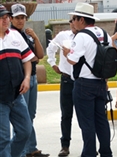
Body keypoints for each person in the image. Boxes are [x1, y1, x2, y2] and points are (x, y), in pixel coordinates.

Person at [63, 2, 112, 157]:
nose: (73, 22)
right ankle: (106, 152)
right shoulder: (104, 33)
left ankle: (89, 153)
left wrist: (66, 52)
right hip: (100, 82)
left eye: (74, 18)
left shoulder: (81, 36)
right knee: (101, 121)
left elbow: (72, 60)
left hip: (84, 84)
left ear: (82, 20)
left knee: (87, 123)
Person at [10, 3, 49, 157]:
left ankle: (31, 148)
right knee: (22, 116)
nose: (20, 20)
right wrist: (32, 60)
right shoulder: (11, 35)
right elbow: (30, 59)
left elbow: (39, 56)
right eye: (17, 17)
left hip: (32, 77)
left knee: (30, 114)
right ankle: (22, 150)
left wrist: (35, 37)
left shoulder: (26, 34)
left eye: (23, 17)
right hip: (22, 79)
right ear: (11, 18)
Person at [0, 4, 35, 156]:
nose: (5, 20)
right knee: (3, 139)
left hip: (16, 95)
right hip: (0, 98)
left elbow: (27, 59)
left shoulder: (15, 35)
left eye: (7, 17)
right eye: (1, 18)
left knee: (25, 132)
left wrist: (27, 78)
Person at [46, 19, 77, 156]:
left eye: (75, 20)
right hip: (66, 79)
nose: (72, 23)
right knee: (66, 115)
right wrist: (52, 63)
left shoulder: (87, 37)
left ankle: (90, 145)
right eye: (71, 21)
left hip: (82, 80)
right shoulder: (63, 36)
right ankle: (65, 146)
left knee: (85, 116)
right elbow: (51, 48)